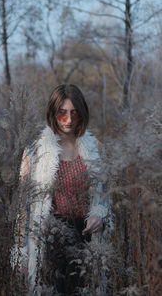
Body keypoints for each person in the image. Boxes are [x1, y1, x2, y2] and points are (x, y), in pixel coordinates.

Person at [17, 84, 109, 295]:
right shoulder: (34, 153)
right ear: (53, 113)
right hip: (50, 238)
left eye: (74, 113)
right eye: (62, 113)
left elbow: (104, 196)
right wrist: (21, 256)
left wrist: (99, 215)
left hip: (86, 236)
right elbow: (25, 210)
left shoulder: (96, 149)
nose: (68, 120)